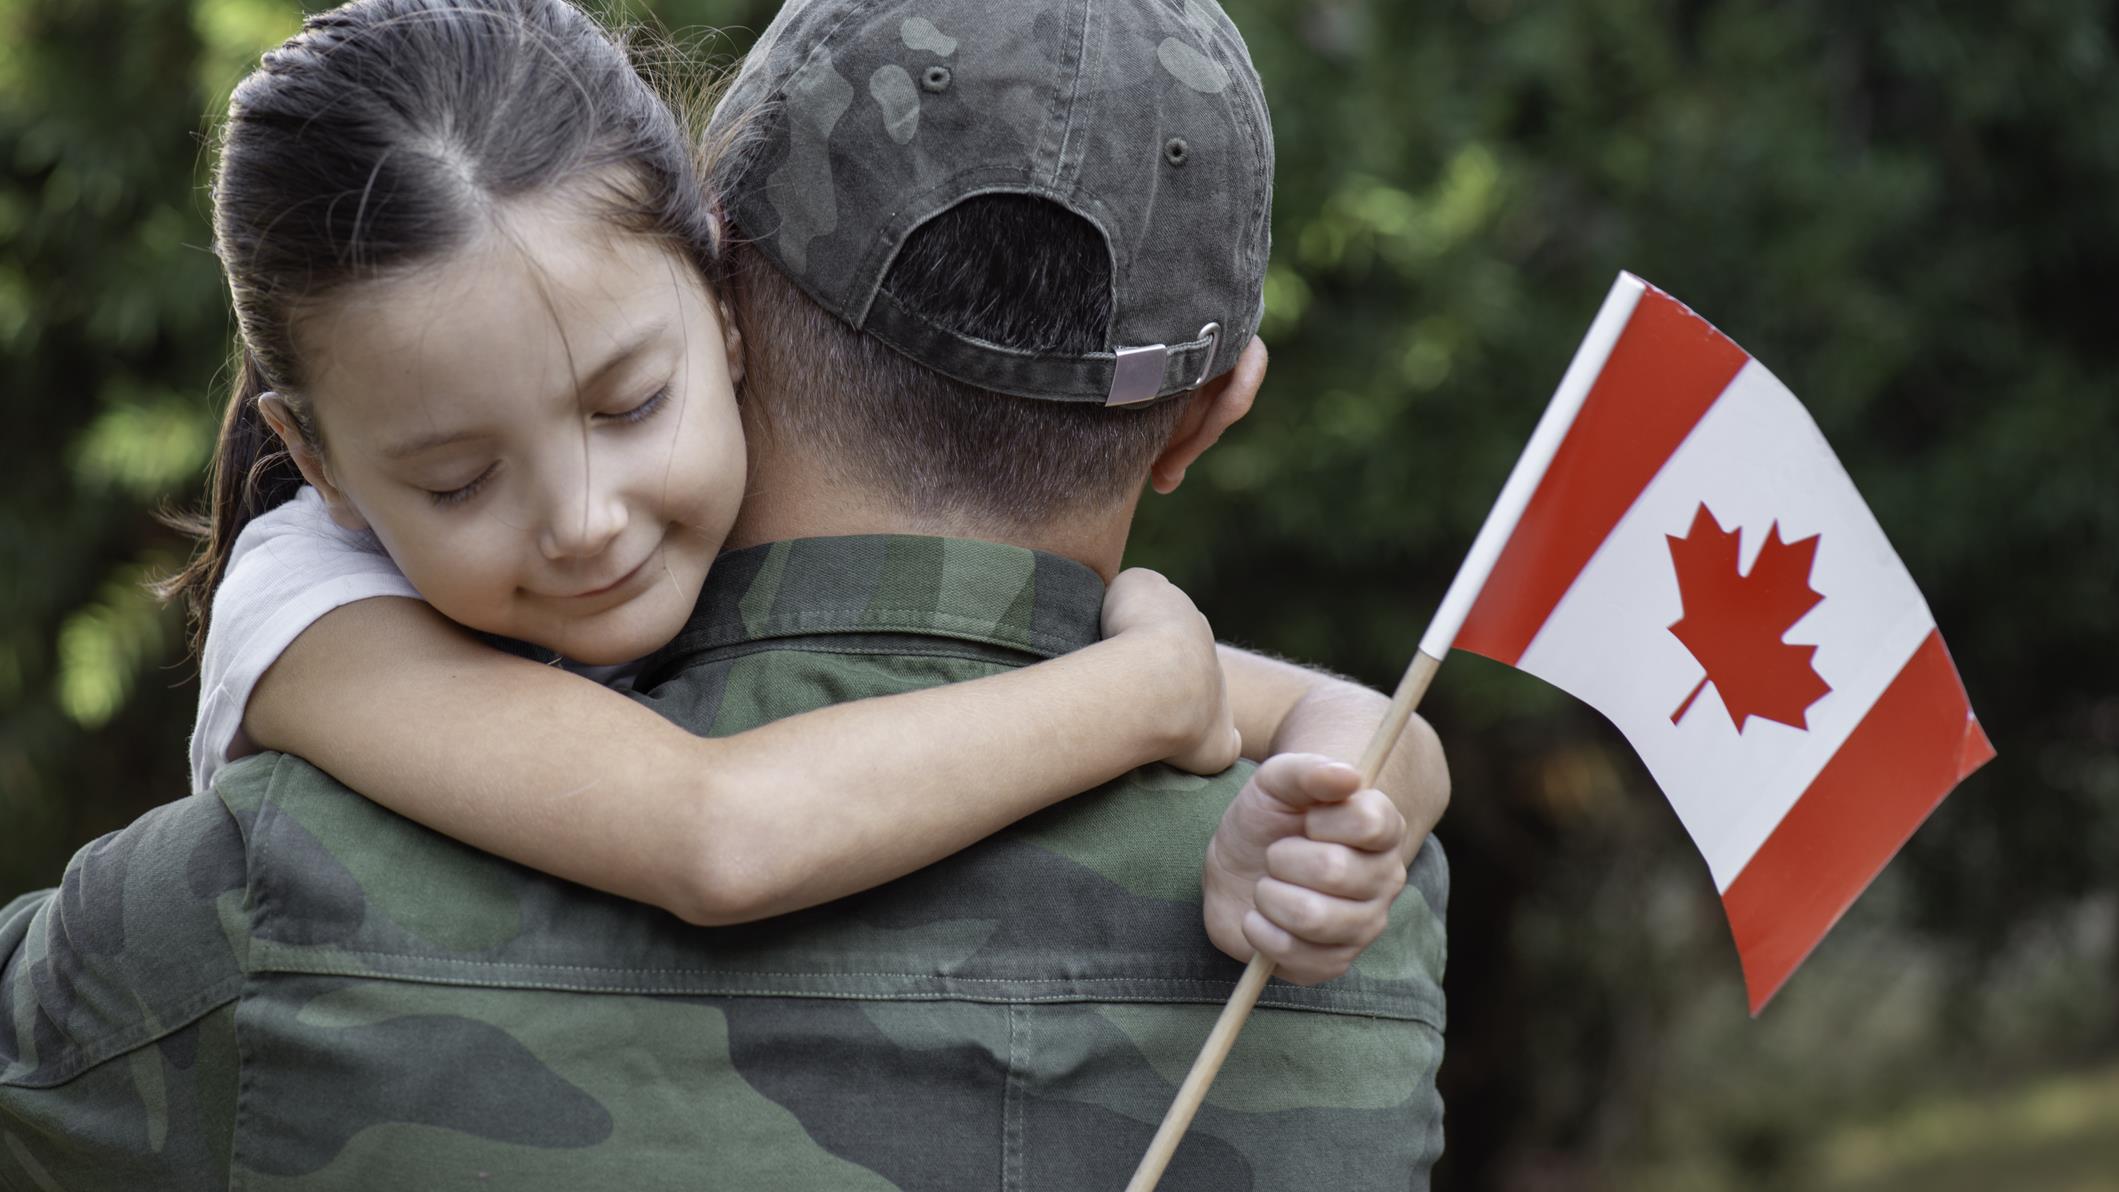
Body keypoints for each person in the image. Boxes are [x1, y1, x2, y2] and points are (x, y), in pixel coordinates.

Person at [0, 0, 1449, 1188]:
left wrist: (1329, 812)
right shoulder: (310, 620)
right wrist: (1145, 688)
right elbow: (719, 829)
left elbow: (1368, 723)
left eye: (629, 404)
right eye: (454, 485)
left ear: (724, 287)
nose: (578, 525)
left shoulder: (235, 906)